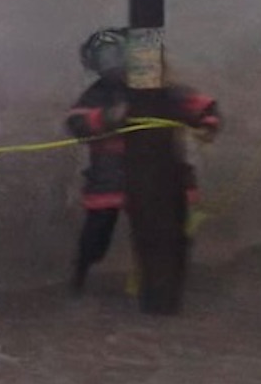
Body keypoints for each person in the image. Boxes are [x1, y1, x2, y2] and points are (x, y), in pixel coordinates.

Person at [64, 27, 221, 294]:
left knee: (168, 232)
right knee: (97, 233)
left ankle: (165, 282)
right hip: (111, 179)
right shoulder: (98, 94)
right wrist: (109, 117)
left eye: (114, 55)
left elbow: (198, 106)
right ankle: (80, 273)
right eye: (102, 58)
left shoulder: (159, 87)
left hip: (161, 173)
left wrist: (207, 123)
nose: (110, 64)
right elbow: (76, 121)